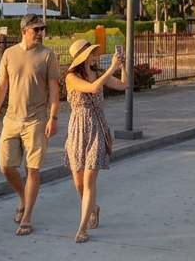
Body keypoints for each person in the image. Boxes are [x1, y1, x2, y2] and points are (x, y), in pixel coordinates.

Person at [0, 14, 60, 236]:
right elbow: (2, 86)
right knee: (6, 166)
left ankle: (27, 216)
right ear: (24, 31)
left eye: (42, 29)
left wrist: (53, 117)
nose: (40, 33)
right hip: (11, 119)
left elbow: (55, 89)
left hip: (36, 120)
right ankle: (22, 197)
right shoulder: (10, 54)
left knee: (33, 169)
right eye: (36, 29)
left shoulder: (48, 55)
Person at [63, 39, 128, 244]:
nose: (95, 56)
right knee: (79, 181)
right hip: (77, 129)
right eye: (92, 54)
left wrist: (123, 65)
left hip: (96, 129)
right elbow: (91, 89)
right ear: (82, 57)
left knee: (90, 181)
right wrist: (111, 68)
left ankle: (82, 228)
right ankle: (93, 207)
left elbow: (123, 85)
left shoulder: (99, 74)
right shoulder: (71, 77)